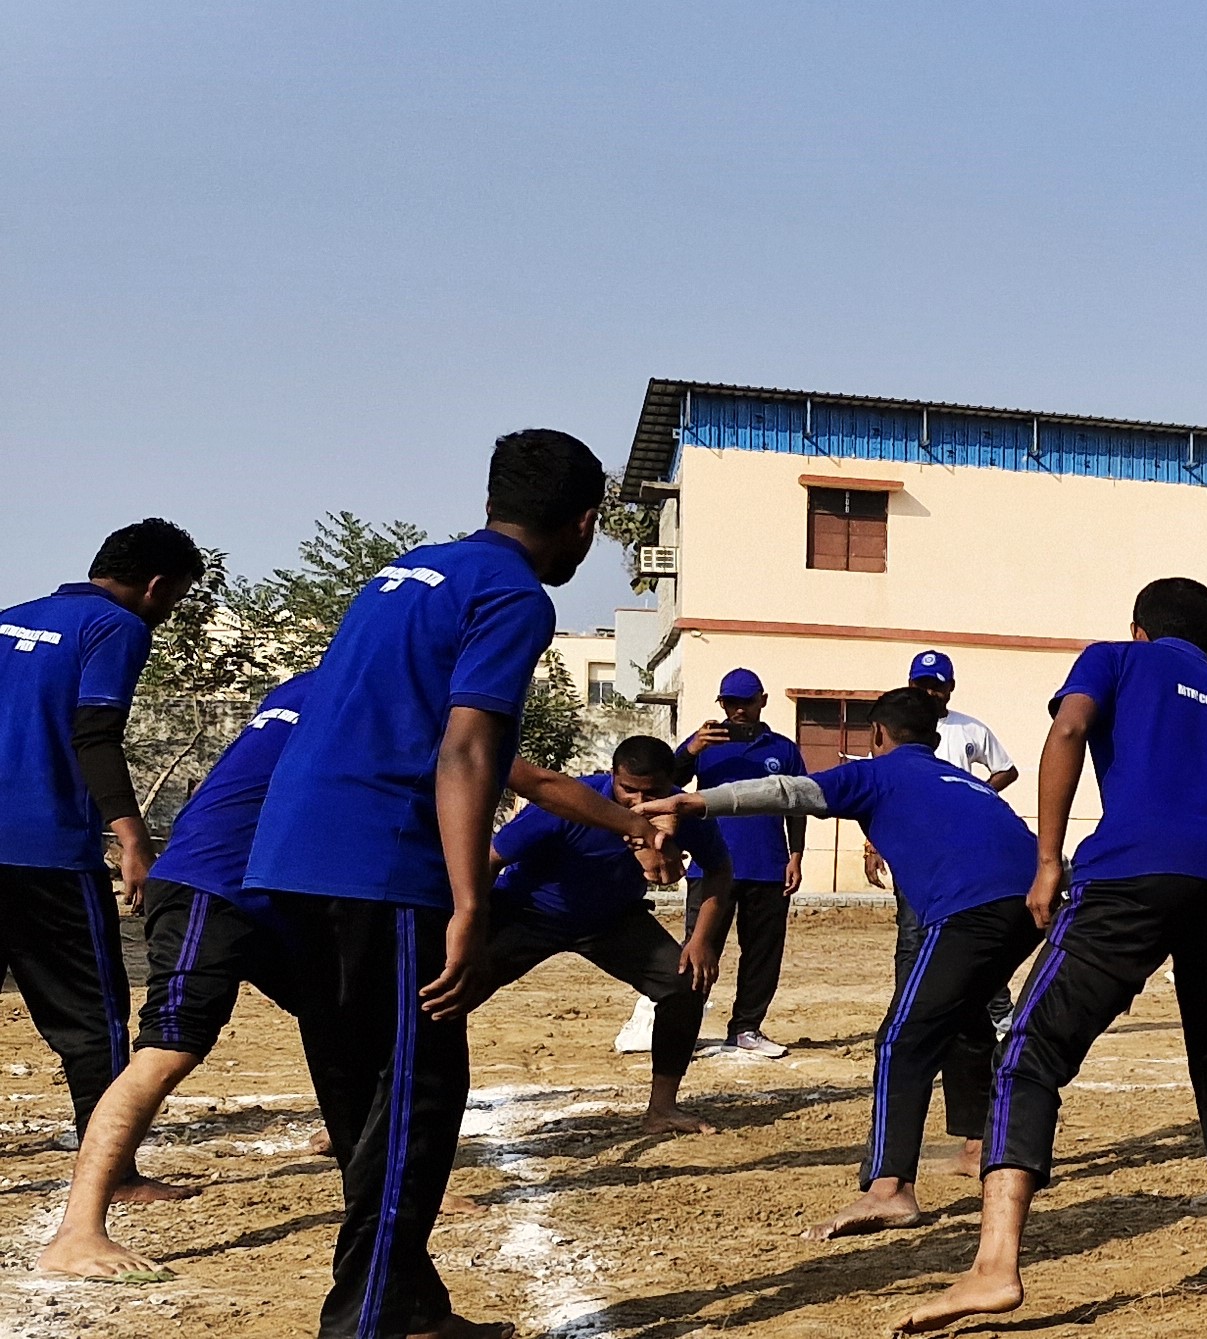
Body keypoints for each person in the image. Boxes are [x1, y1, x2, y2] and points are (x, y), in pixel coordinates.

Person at [38, 671, 674, 1282]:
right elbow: (533, 781)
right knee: (169, 1050)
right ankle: (78, 1231)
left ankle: (380, 1187)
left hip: (288, 891)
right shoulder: (396, 698)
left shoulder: (314, 687)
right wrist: (635, 825)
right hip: (217, 881)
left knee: (358, 1032)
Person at [897, 577, 1207, 1334]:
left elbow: (1069, 730)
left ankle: (994, 1267)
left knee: (1030, 1051)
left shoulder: (1113, 659)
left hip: (1133, 875)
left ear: (1138, 629)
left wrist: (1047, 860)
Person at [242, 426, 604, 1339]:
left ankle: (409, 1308)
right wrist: (472, 902)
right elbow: (469, 748)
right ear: (585, 522)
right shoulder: (512, 593)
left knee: (363, 1097)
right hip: (384, 864)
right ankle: (361, 1325)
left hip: (291, 855)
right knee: (417, 1099)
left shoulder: (399, 576)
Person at [643, 686, 1043, 1240]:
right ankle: (977, 1146)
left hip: (972, 907)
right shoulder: (966, 781)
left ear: (877, 734)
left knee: (902, 1040)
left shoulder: (879, 773)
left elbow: (789, 791)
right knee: (966, 1017)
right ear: (934, 736)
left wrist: (695, 803)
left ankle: (890, 1187)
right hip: (1035, 901)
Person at [0, 518, 202, 1196]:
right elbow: (95, 734)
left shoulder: (8, 618)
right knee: (94, 1019)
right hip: (48, 853)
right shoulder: (115, 626)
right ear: (157, 585)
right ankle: (112, 1172)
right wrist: (133, 838)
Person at [479, 735, 731, 1135]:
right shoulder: (569, 802)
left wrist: (700, 940)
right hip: (528, 912)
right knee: (444, 994)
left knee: (684, 983)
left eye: (652, 792)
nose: (638, 801)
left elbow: (719, 870)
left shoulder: (682, 811)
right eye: (628, 789)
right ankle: (387, 1100)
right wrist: (471, 922)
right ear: (612, 775)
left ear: (671, 784)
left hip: (612, 919)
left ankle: (662, 1109)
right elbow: (491, 859)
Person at [873, 649, 1020, 1173]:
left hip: (965, 860)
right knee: (912, 934)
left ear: (949, 690)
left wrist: (975, 791)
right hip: (920, 850)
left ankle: (988, 1009)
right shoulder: (896, 744)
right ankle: (916, 999)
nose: (930, 692)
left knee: (964, 962)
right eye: (922, 684)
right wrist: (875, 845)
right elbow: (874, 794)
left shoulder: (965, 730)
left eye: (937, 685)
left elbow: (1006, 770)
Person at [666, 667, 806, 1059]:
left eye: (746, 702)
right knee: (698, 949)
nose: (738, 710)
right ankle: (683, 1027)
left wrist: (796, 856)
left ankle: (746, 1028)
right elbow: (666, 784)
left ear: (762, 701)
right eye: (730, 703)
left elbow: (798, 805)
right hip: (711, 866)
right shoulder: (703, 745)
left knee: (762, 953)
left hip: (768, 866)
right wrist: (690, 750)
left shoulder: (783, 750)